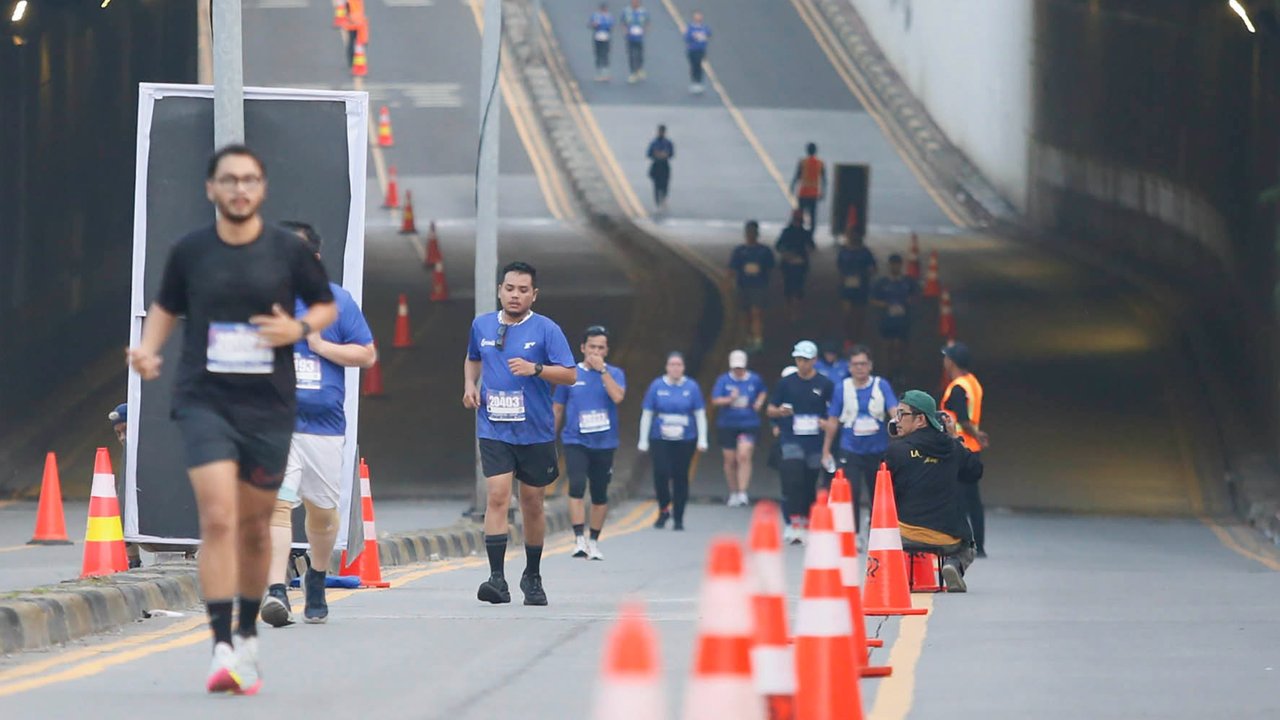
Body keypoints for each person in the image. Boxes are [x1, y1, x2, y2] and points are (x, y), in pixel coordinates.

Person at [127, 144, 337, 694]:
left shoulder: (287, 252)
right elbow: (167, 306)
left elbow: (325, 304)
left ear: (262, 188)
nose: (239, 189)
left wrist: (297, 329)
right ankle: (221, 644)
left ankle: (246, 636)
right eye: (229, 180)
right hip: (205, 400)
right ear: (211, 189)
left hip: (268, 406)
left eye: (249, 180)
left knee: (253, 525)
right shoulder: (191, 250)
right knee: (218, 517)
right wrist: (148, 350)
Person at [260, 222, 376, 629]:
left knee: (323, 515)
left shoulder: (337, 302)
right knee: (277, 505)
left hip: (323, 426)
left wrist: (322, 347)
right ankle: (276, 589)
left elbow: (366, 355)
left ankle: (317, 576)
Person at [464, 262, 577, 606]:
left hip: (535, 430)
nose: (515, 295)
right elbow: (473, 358)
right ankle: (497, 579)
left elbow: (570, 375)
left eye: (523, 290)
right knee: (498, 496)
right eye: (510, 288)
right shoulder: (482, 324)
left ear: (534, 295)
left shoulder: (546, 329)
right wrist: (470, 385)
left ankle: (533, 575)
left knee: (532, 502)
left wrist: (536, 369)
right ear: (500, 290)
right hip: (494, 426)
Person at [884, 390, 982, 591]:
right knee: (967, 543)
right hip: (948, 539)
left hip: (903, 535)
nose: (896, 420)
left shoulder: (896, 450)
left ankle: (892, 572)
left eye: (902, 414)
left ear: (920, 420)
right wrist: (955, 437)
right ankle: (954, 563)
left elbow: (882, 491)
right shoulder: (952, 448)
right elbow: (974, 472)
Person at [553, 325, 626, 562]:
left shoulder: (614, 373)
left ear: (606, 351)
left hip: (604, 442)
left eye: (600, 348)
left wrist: (602, 370)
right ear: (583, 348)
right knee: (576, 485)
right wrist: (548, 439)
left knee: (599, 492)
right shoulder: (570, 375)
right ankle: (579, 539)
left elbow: (618, 397)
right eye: (592, 347)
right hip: (576, 439)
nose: (596, 352)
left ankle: (594, 540)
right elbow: (558, 407)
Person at [821, 345, 897, 531]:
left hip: (877, 449)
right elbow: (833, 420)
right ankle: (853, 532)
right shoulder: (841, 388)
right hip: (851, 448)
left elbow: (894, 411)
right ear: (849, 367)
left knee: (877, 492)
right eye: (855, 364)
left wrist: (901, 431)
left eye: (863, 364)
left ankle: (875, 526)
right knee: (851, 491)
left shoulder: (882, 385)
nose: (860, 368)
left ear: (870, 365)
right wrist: (826, 449)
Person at [766, 341, 834, 544]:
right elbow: (770, 409)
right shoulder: (786, 383)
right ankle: (793, 522)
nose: (802, 363)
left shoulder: (825, 384)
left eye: (806, 360)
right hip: (791, 437)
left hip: (815, 440)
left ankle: (807, 519)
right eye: (799, 359)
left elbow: (834, 411)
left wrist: (827, 423)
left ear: (814, 360)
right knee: (793, 478)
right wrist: (780, 412)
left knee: (809, 482)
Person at [638, 352, 707, 531]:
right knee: (661, 473)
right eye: (672, 365)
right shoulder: (657, 386)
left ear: (683, 368)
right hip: (660, 437)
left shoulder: (692, 387)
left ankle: (679, 517)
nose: (675, 368)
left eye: (679, 365)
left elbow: (700, 414)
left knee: (680, 476)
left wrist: (702, 439)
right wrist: (643, 440)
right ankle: (664, 508)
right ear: (667, 367)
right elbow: (647, 413)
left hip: (685, 437)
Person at [941, 342, 989, 557]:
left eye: (946, 358)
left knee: (959, 499)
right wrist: (977, 434)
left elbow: (962, 419)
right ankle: (979, 545)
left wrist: (975, 433)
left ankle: (962, 543)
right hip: (972, 449)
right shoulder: (973, 383)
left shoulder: (958, 387)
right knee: (973, 499)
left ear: (951, 362)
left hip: (959, 447)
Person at [710, 349, 766, 507]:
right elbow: (715, 400)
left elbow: (762, 391)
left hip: (748, 423)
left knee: (743, 455)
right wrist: (730, 399)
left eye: (740, 368)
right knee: (730, 460)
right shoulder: (723, 380)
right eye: (735, 368)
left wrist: (759, 402)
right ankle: (733, 491)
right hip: (727, 424)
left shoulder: (754, 379)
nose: (738, 371)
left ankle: (742, 492)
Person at [870, 253, 918, 384]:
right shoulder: (882, 283)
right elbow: (873, 299)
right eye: (893, 265)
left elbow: (915, 296)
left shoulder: (907, 282)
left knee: (901, 347)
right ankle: (890, 371)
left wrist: (909, 302)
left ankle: (899, 371)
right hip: (887, 322)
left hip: (903, 321)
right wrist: (885, 305)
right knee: (889, 347)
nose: (895, 267)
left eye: (897, 265)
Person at [728, 220, 775, 351]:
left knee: (756, 312)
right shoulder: (739, 251)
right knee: (745, 314)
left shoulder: (764, 251)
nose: (750, 235)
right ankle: (748, 337)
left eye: (753, 232)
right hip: (743, 286)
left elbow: (771, 268)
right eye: (749, 232)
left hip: (758, 286)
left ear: (757, 234)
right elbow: (732, 268)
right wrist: (727, 283)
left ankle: (757, 339)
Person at [107, 403, 143, 569]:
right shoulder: (127, 460)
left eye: (126, 430)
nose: (122, 438)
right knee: (119, 502)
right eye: (118, 433)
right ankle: (134, 562)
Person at [837, 227, 877, 344]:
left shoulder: (865, 252)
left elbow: (873, 268)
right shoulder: (844, 251)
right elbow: (840, 267)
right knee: (847, 313)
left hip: (861, 286)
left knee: (859, 313)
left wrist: (866, 274)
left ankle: (857, 335)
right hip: (847, 286)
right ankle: (848, 337)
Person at [775, 209, 817, 322]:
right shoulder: (795, 232)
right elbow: (778, 246)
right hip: (791, 263)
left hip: (798, 263)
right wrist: (787, 254)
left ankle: (794, 310)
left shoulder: (796, 232)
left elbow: (811, 247)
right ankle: (792, 310)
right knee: (791, 287)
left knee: (795, 288)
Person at [790, 143, 826, 233]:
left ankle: (799, 232)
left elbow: (797, 175)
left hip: (803, 192)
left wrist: (792, 186)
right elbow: (824, 179)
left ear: (807, 150)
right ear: (815, 151)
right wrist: (823, 192)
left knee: (800, 214)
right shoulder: (820, 163)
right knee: (813, 215)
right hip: (814, 193)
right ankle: (811, 234)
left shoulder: (802, 162)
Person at [646, 125, 675, 212]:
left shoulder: (668, 143)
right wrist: (656, 154)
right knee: (656, 185)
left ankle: (664, 200)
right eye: (660, 131)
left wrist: (665, 154)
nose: (661, 133)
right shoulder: (654, 143)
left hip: (664, 165)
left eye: (662, 131)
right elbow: (649, 154)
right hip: (656, 165)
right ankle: (657, 204)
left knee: (665, 185)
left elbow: (671, 154)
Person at [621, 0, 650, 83]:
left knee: (639, 53)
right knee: (631, 55)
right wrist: (625, 31)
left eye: (636, 2)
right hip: (630, 37)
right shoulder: (626, 11)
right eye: (633, 2)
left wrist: (645, 30)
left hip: (639, 37)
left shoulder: (643, 12)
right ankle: (633, 73)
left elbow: (647, 22)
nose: (635, 3)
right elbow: (623, 22)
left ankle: (639, 69)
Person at [684, 11, 711, 94]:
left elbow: (709, 34)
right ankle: (694, 82)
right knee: (693, 66)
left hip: (701, 50)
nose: (698, 19)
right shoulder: (691, 28)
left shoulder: (704, 28)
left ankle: (699, 82)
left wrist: (703, 37)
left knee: (698, 65)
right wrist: (694, 36)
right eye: (696, 17)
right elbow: (686, 38)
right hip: (692, 50)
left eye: (699, 17)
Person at [588, 4, 614, 82]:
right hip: (597, 38)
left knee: (605, 55)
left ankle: (606, 73)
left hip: (605, 38)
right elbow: (590, 24)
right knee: (598, 55)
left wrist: (601, 25)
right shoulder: (595, 16)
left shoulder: (609, 16)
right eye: (602, 10)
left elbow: (610, 26)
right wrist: (594, 25)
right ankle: (599, 73)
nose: (603, 11)